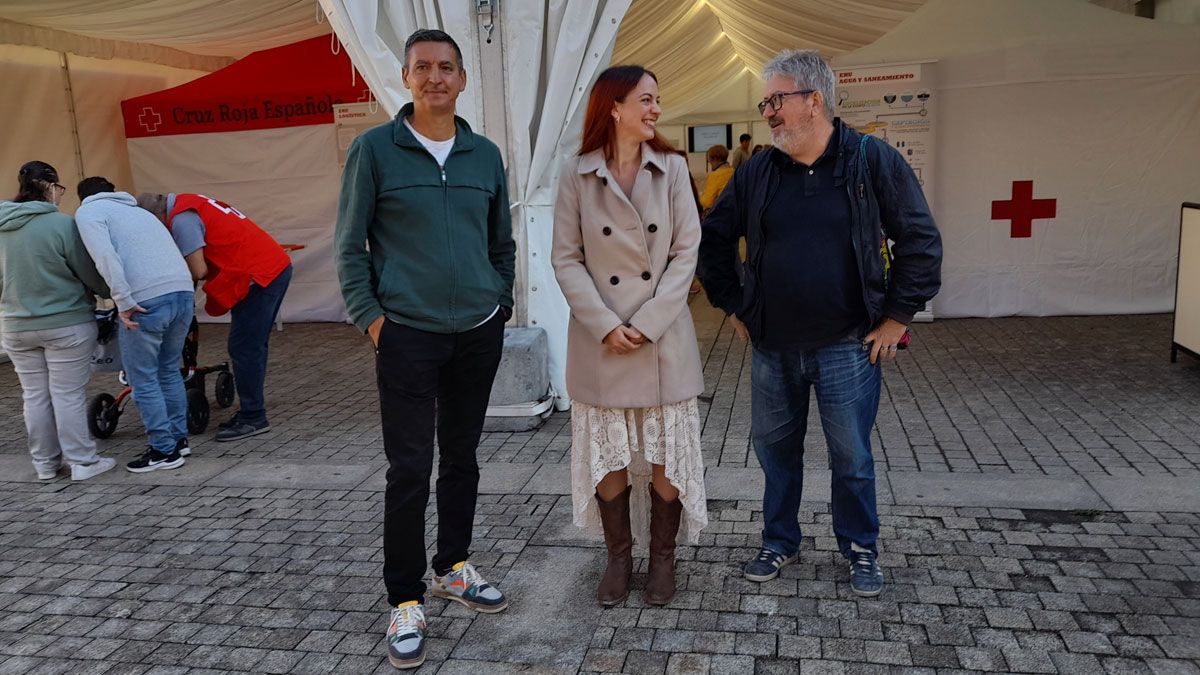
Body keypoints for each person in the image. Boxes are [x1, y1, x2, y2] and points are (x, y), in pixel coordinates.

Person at [698, 49, 942, 598]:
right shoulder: (758, 169)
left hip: (848, 345)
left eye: (776, 100)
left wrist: (896, 317)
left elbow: (920, 240)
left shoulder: (869, 160)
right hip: (773, 346)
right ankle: (779, 540)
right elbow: (712, 238)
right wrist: (734, 304)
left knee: (851, 456)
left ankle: (859, 548)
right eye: (765, 102)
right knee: (774, 452)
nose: (769, 112)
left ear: (814, 100)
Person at [334, 29, 515, 670]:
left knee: (462, 456)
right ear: (406, 80)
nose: (435, 77)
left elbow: (502, 241)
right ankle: (405, 598)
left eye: (446, 67)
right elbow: (349, 244)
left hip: (477, 331)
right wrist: (372, 321)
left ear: (462, 80)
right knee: (409, 470)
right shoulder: (374, 151)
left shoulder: (484, 155)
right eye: (422, 68)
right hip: (406, 334)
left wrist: (502, 301)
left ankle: (454, 566)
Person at [552, 65, 707, 608]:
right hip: (601, 340)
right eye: (646, 99)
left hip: (660, 336)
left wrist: (645, 322)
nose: (656, 109)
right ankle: (619, 556)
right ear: (614, 106)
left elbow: (688, 253)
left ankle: (662, 558)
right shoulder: (576, 174)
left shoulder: (672, 169)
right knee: (609, 455)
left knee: (667, 452)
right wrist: (605, 323)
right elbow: (566, 258)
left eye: (657, 100)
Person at [135, 191, 291, 442]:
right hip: (267, 266)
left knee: (245, 348)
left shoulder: (182, 220)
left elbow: (198, 269)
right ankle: (251, 411)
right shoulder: (188, 201)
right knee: (249, 346)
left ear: (156, 218)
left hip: (260, 274)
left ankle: (254, 417)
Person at [0, 161, 115, 481]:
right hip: (67, 323)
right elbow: (87, 271)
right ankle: (82, 462)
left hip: (16, 325)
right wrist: (110, 291)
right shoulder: (62, 225)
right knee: (67, 394)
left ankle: (45, 465)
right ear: (50, 187)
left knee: (34, 395)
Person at [76, 177, 195, 472]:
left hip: (146, 299)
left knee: (142, 378)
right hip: (182, 293)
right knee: (168, 370)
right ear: (114, 192)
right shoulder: (140, 212)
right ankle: (179, 441)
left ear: (83, 198)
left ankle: (163, 452)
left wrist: (122, 300)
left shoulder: (89, 213)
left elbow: (105, 257)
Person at [698, 144, 733, 213]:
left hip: (720, 214)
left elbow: (707, 202)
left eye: (709, 159)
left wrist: (700, 197)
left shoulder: (716, 175)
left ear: (715, 158)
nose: (709, 162)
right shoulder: (733, 171)